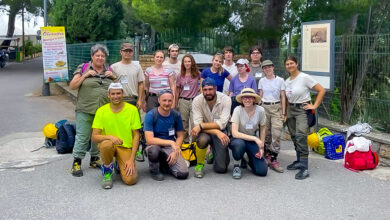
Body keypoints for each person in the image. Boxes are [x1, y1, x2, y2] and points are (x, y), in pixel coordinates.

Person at [69, 44, 117, 177]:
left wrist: (113, 77)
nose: (100, 58)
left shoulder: (109, 69)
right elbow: (72, 86)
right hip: (85, 108)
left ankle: (94, 159)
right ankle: (77, 162)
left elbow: (119, 89)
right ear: (92, 56)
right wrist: (85, 75)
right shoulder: (83, 68)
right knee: (83, 136)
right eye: (97, 55)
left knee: (99, 136)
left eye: (102, 56)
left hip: (103, 110)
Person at [91, 83, 141, 189]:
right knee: (106, 145)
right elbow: (94, 137)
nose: (116, 96)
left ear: (122, 94)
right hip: (109, 145)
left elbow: (136, 136)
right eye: (112, 94)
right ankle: (107, 171)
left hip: (125, 147)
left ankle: (119, 163)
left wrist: (131, 159)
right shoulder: (101, 111)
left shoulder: (132, 110)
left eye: (118, 93)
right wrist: (110, 137)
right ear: (108, 95)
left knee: (131, 180)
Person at [284, 55, 326, 180]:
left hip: (302, 109)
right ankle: (298, 161)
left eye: (292, 63)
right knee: (294, 136)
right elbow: (286, 98)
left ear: (297, 64)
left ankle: (304, 167)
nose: (290, 65)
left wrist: (314, 106)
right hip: (290, 109)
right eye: (287, 64)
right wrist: (285, 113)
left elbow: (321, 90)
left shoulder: (304, 77)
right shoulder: (287, 81)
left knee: (301, 135)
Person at [144, 90, 189, 181]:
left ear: (173, 101)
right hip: (154, 145)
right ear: (159, 100)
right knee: (153, 151)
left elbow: (180, 135)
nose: (167, 103)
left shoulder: (176, 115)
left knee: (182, 174)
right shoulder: (151, 115)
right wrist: (171, 142)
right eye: (164, 100)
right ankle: (154, 170)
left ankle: (165, 165)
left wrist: (176, 149)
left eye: (169, 101)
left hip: (170, 147)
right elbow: (149, 140)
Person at [191, 78, 232, 178]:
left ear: (216, 88)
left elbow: (222, 124)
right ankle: (199, 165)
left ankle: (213, 152)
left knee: (221, 169)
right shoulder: (197, 100)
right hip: (206, 132)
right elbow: (197, 125)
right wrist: (217, 132)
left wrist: (201, 126)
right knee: (202, 139)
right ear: (201, 90)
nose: (208, 92)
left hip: (219, 130)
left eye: (210, 89)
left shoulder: (226, 99)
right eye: (205, 89)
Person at [230, 88, 267, 179]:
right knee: (239, 145)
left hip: (251, 140)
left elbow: (263, 128)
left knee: (262, 171)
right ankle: (236, 165)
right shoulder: (237, 110)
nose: (247, 100)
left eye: (250, 97)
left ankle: (248, 159)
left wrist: (261, 146)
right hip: (238, 139)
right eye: (245, 97)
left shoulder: (260, 110)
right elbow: (234, 133)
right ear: (241, 99)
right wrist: (255, 139)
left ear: (254, 99)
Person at [258, 60, 286, 173]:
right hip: (264, 107)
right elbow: (260, 95)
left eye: (269, 67)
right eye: (265, 68)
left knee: (277, 132)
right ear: (263, 70)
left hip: (276, 107)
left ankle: (274, 158)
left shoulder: (280, 80)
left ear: (273, 67)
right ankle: (267, 155)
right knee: (266, 134)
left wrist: (284, 113)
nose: (267, 69)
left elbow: (283, 96)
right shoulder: (262, 81)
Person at [175, 54, 200, 144]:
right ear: (183, 63)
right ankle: (185, 144)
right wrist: (175, 102)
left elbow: (202, 85)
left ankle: (193, 143)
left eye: (189, 61)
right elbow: (177, 89)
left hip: (194, 101)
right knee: (184, 124)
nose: (187, 63)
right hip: (183, 100)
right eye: (185, 61)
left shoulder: (197, 74)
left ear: (192, 62)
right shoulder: (179, 76)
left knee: (194, 123)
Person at [111, 42, 144, 108]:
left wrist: (140, 100)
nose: (128, 53)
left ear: (133, 52)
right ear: (121, 52)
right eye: (125, 51)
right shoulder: (114, 67)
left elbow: (141, 84)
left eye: (130, 51)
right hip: (118, 99)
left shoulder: (137, 67)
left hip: (133, 99)